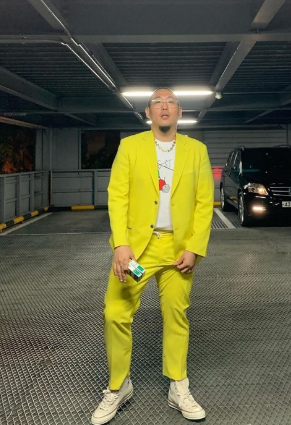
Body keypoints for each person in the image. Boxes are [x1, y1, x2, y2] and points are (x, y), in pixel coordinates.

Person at [91, 88, 214, 424]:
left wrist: (194, 247)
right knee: (116, 312)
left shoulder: (196, 151)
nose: (164, 106)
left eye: (171, 102)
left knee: (176, 315)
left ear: (179, 112)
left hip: (177, 252)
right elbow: (117, 196)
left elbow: (204, 202)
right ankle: (118, 386)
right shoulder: (130, 147)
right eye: (157, 102)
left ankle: (178, 386)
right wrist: (120, 244)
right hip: (137, 252)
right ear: (148, 112)